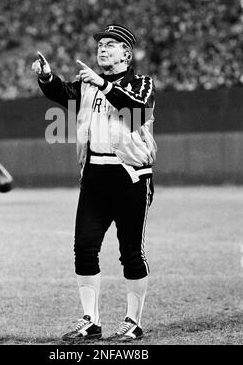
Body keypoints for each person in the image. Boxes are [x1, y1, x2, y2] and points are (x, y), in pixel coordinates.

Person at [32, 24, 157, 342]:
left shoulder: (142, 83)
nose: (102, 48)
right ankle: (91, 320)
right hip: (94, 178)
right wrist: (47, 77)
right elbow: (64, 94)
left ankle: (132, 321)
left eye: (110, 44)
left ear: (126, 53)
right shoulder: (87, 87)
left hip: (129, 177)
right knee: (84, 250)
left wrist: (102, 83)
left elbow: (136, 113)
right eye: (100, 43)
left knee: (131, 253)